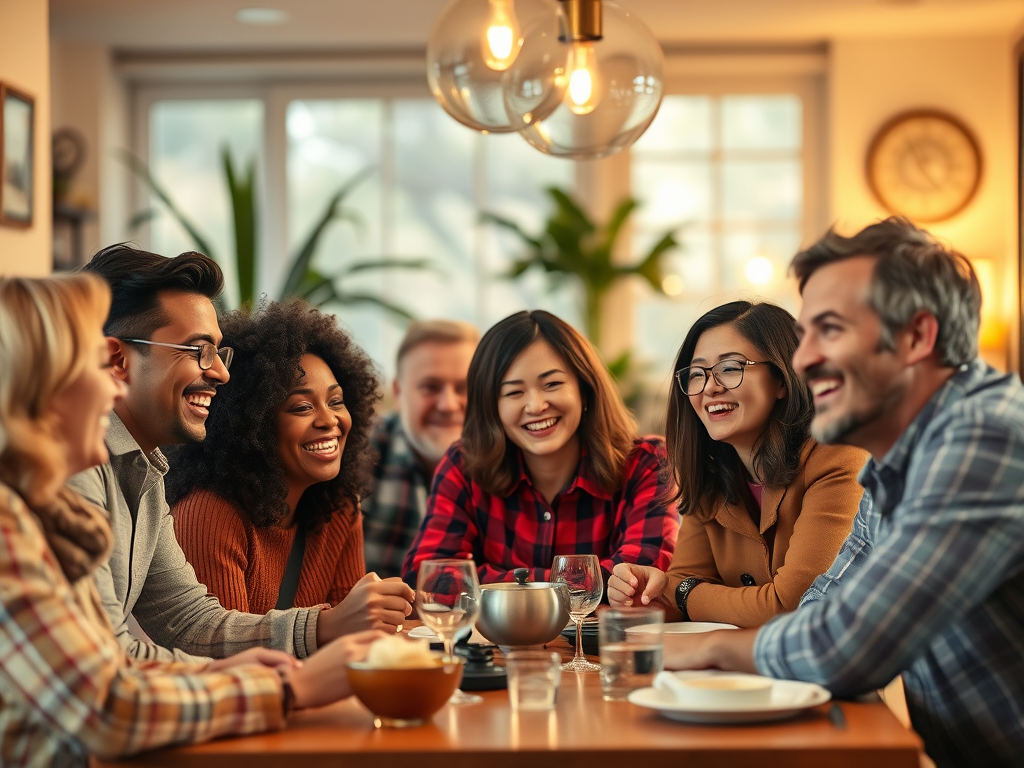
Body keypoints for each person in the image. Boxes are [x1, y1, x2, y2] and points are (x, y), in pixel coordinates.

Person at [661, 218, 1024, 768]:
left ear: (916, 337)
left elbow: (848, 644)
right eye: (805, 336)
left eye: (830, 330)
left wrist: (700, 647)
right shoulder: (894, 460)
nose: (803, 360)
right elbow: (818, 609)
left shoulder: (987, 434)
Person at [0, 273, 383, 767]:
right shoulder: (19, 523)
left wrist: (273, 658)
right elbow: (108, 702)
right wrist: (287, 686)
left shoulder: (127, 477)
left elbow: (180, 626)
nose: (108, 386)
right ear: (38, 390)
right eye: (93, 366)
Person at [68, 244, 407, 663]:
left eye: (218, 352)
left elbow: (190, 622)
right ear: (118, 359)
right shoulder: (71, 468)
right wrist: (285, 685)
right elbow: (108, 664)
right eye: (199, 351)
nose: (221, 373)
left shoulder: (142, 470)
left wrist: (325, 627)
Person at [607, 301, 865, 627]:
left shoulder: (839, 457)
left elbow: (793, 605)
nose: (711, 387)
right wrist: (648, 593)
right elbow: (681, 585)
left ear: (782, 379)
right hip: (738, 669)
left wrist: (683, 592)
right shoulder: (710, 472)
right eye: (697, 374)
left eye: (730, 367)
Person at [165, 300, 414, 621]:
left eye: (336, 401)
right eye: (302, 407)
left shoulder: (339, 509)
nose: (330, 420)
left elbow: (355, 636)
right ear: (252, 424)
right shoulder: (210, 514)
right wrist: (332, 623)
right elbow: (220, 654)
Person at [402, 309, 680, 587]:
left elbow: (640, 577)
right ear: (492, 406)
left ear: (584, 389)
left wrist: (488, 580)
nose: (535, 406)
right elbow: (428, 576)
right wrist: (588, 580)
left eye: (552, 384)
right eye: (514, 392)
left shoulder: (647, 463)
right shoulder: (464, 464)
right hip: (495, 633)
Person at [362, 319, 479, 578]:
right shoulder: (357, 456)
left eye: (463, 388)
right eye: (430, 387)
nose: (448, 404)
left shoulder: (518, 461)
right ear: (399, 393)